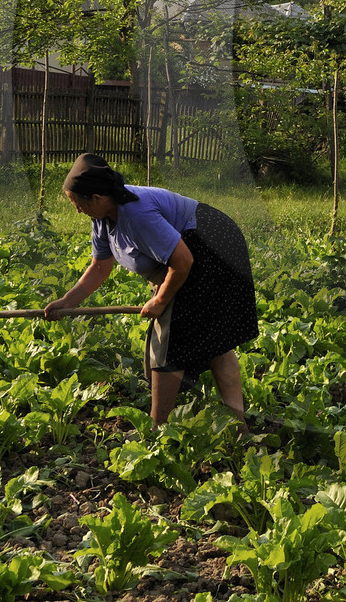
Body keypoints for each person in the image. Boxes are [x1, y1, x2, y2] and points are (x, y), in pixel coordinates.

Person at [45, 153, 258, 424]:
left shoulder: (136, 214)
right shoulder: (101, 218)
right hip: (196, 251)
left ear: (97, 198)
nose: (76, 210)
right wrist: (68, 301)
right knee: (214, 346)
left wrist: (160, 301)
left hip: (211, 247)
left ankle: (157, 430)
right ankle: (238, 429)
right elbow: (100, 267)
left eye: (77, 203)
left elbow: (182, 261)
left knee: (169, 342)